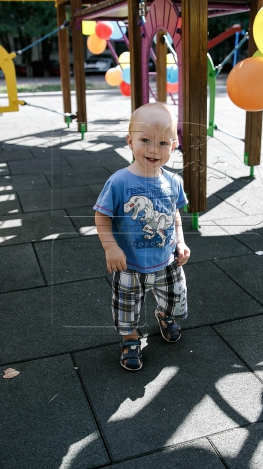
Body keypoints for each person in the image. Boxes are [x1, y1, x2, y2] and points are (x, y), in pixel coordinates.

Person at [93, 103, 190, 372]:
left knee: (173, 297)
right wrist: (110, 247)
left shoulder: (173, 182)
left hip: (167, 260)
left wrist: (180, 242)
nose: (153, 150)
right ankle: (130, 338)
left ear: (173, 146)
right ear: (130, 141)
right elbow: (101, 217)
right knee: (127, 306)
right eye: (145, 140)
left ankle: (164, 315)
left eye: (162, 142)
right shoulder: (119, 182)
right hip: (130, 265)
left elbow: (174, 215)